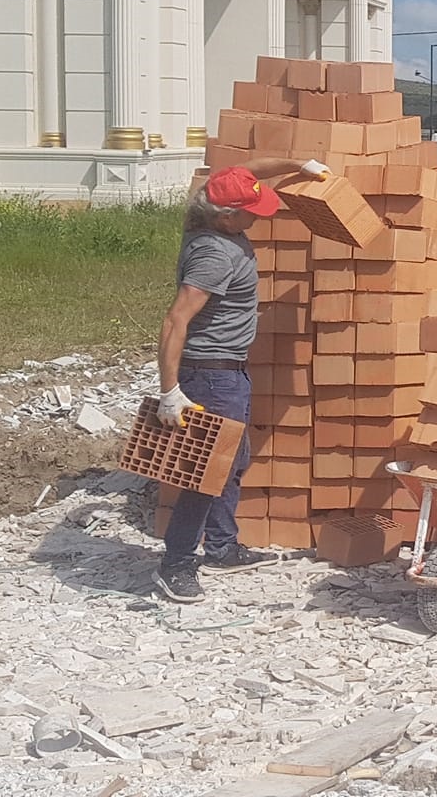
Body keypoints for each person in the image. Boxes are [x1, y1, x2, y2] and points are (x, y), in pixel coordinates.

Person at [153, 157, 327, 604]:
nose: (258, 216)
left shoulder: (214, 217)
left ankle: (222, 545)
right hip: (211, 375)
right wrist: (170, 391)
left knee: (234, 460)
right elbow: (175, 321)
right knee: (206, 470)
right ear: (226, 215)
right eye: (251, 211)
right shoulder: (214, 254)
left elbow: (245, 171)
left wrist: (296, 165)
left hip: (229, 371)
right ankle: (176, 564)